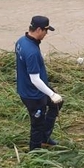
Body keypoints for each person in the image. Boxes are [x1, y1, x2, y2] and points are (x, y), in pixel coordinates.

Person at [15, 15, 63, 151]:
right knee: (37, 124)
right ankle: (35, 153)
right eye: (46, 31)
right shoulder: (32, 52)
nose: (46, 34)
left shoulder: (21, 41)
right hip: (33, 94)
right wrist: (51, 94)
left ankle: (45, 138)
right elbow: (35, 79)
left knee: (58, 104)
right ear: (38, 30)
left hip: (28, 87)